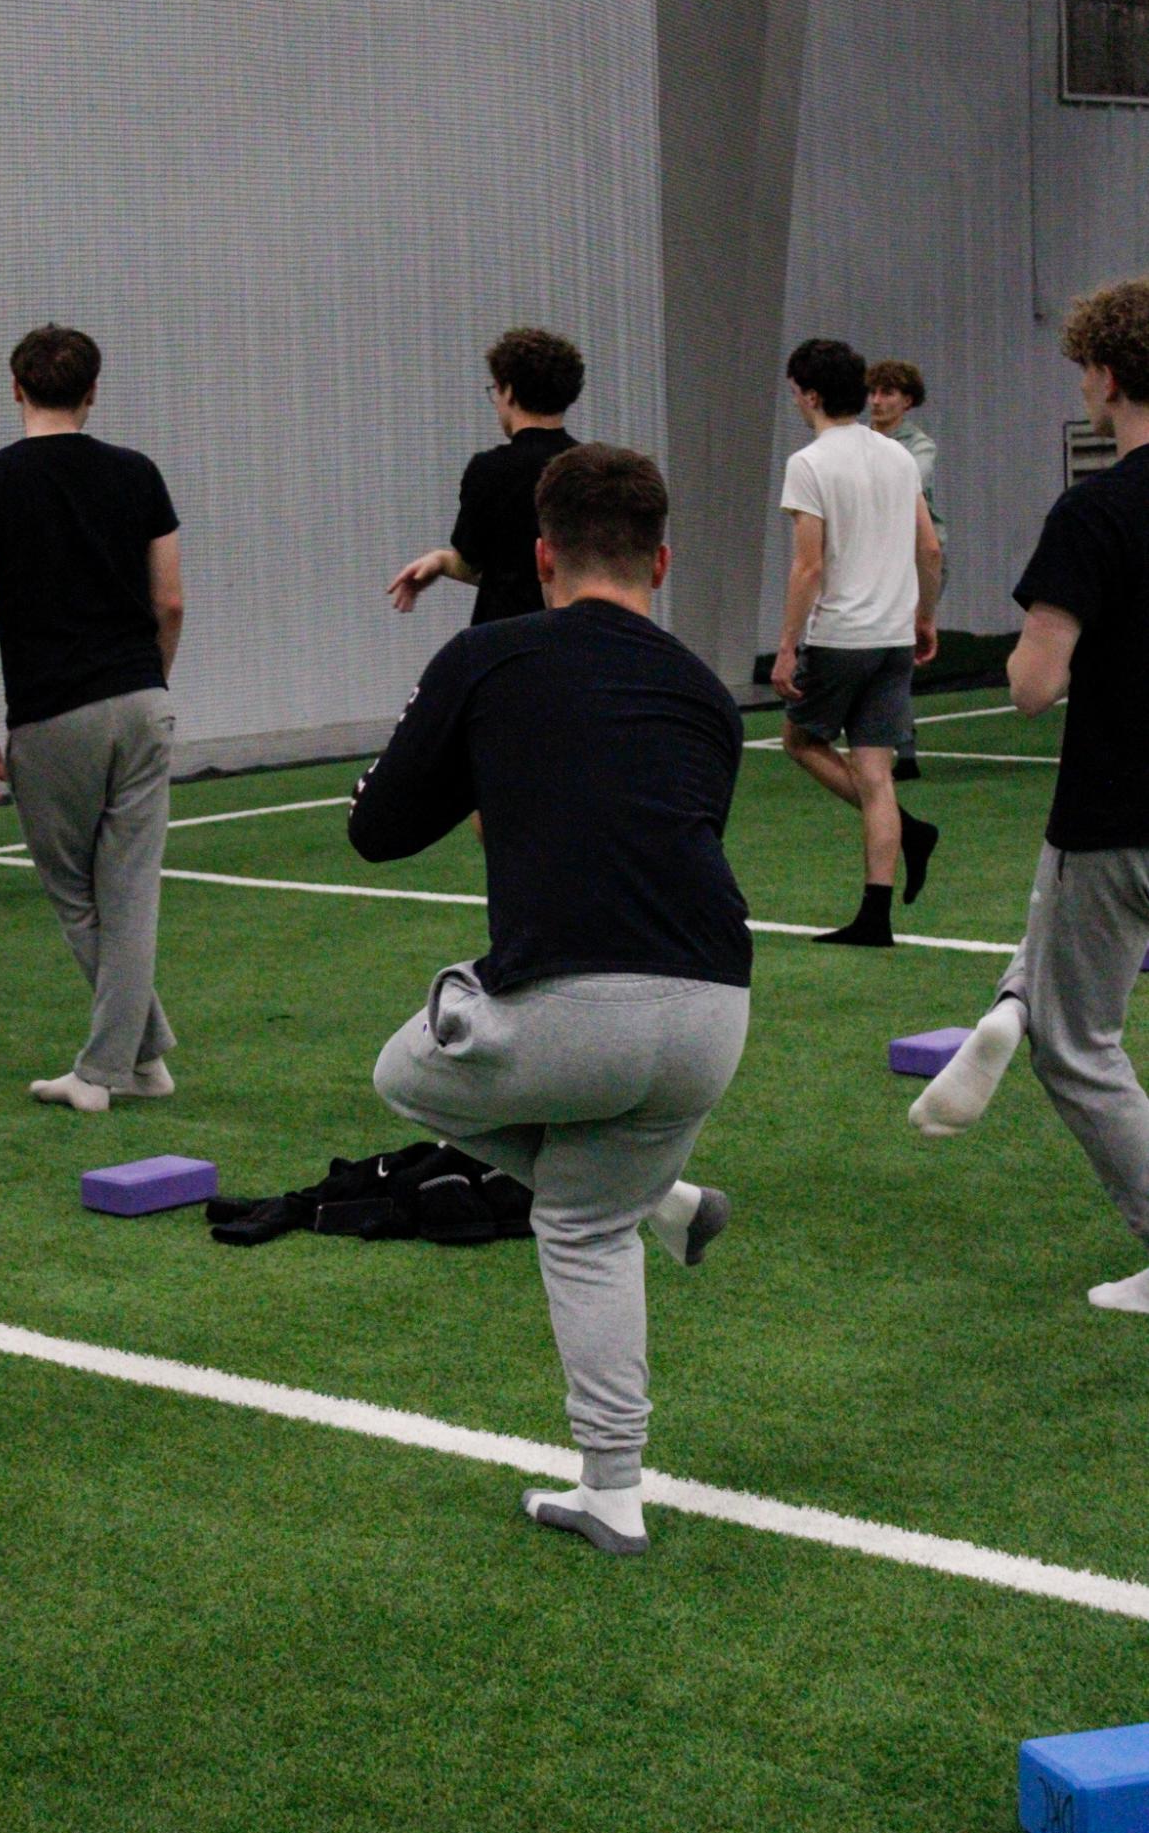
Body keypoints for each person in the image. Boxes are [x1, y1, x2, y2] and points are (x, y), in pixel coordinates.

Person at [352, 442, 752, 1556]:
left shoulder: (490, 653)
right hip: (715, 1008)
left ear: (537, 556)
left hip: (577, 1002)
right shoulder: (705, 694)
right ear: (660, 562)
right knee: (588, 1212)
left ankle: (617, 1485)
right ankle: (658, 1209)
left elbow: (376, 830)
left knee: (405, 1076)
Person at [909, 278, 1149, 1316]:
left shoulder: (1092, 511)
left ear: (1100, 376)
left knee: (1077, 1043)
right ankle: (1011, 992)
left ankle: (1015, 999)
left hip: (1114, 819)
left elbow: (1031, 683)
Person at [0, 324, 184, 1112]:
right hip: (143, 701)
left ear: (16, 388)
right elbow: (170, 600)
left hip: (52, 715)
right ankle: (142, 1056)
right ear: (92, 392)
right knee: (131, 889)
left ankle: (103, 1071)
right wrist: (152, 681)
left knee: (81, 897)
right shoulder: (138, 474)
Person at [772, 338, 943, 946]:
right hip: (894, 634)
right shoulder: (897, 458)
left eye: (795, 391)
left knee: (800, 739)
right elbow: (929, 548)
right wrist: (925, 616)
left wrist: (788, 645)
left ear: (812, 395)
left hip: (841, 635)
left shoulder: (810, 462)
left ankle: (912, 829)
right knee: (876, 773)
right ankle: (876, 914)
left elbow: (809, 568)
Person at [387, 327, 583, 622]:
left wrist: (441, 562)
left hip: (505, 640)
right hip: (574, 636)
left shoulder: (489, 470)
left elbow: (477, 567)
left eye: (496, 390)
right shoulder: (592, 471)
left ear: (510, 392)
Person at [866, 360, 944, 782]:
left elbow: (911, 478)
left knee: (896, 654)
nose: (877, 401)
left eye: (888, 393)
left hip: (916, 562)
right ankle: (897, 743)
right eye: (873, 392)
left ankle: (903, 748)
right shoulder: (859, 441)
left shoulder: (919, 446)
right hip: (875, 560)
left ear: (907, 400)